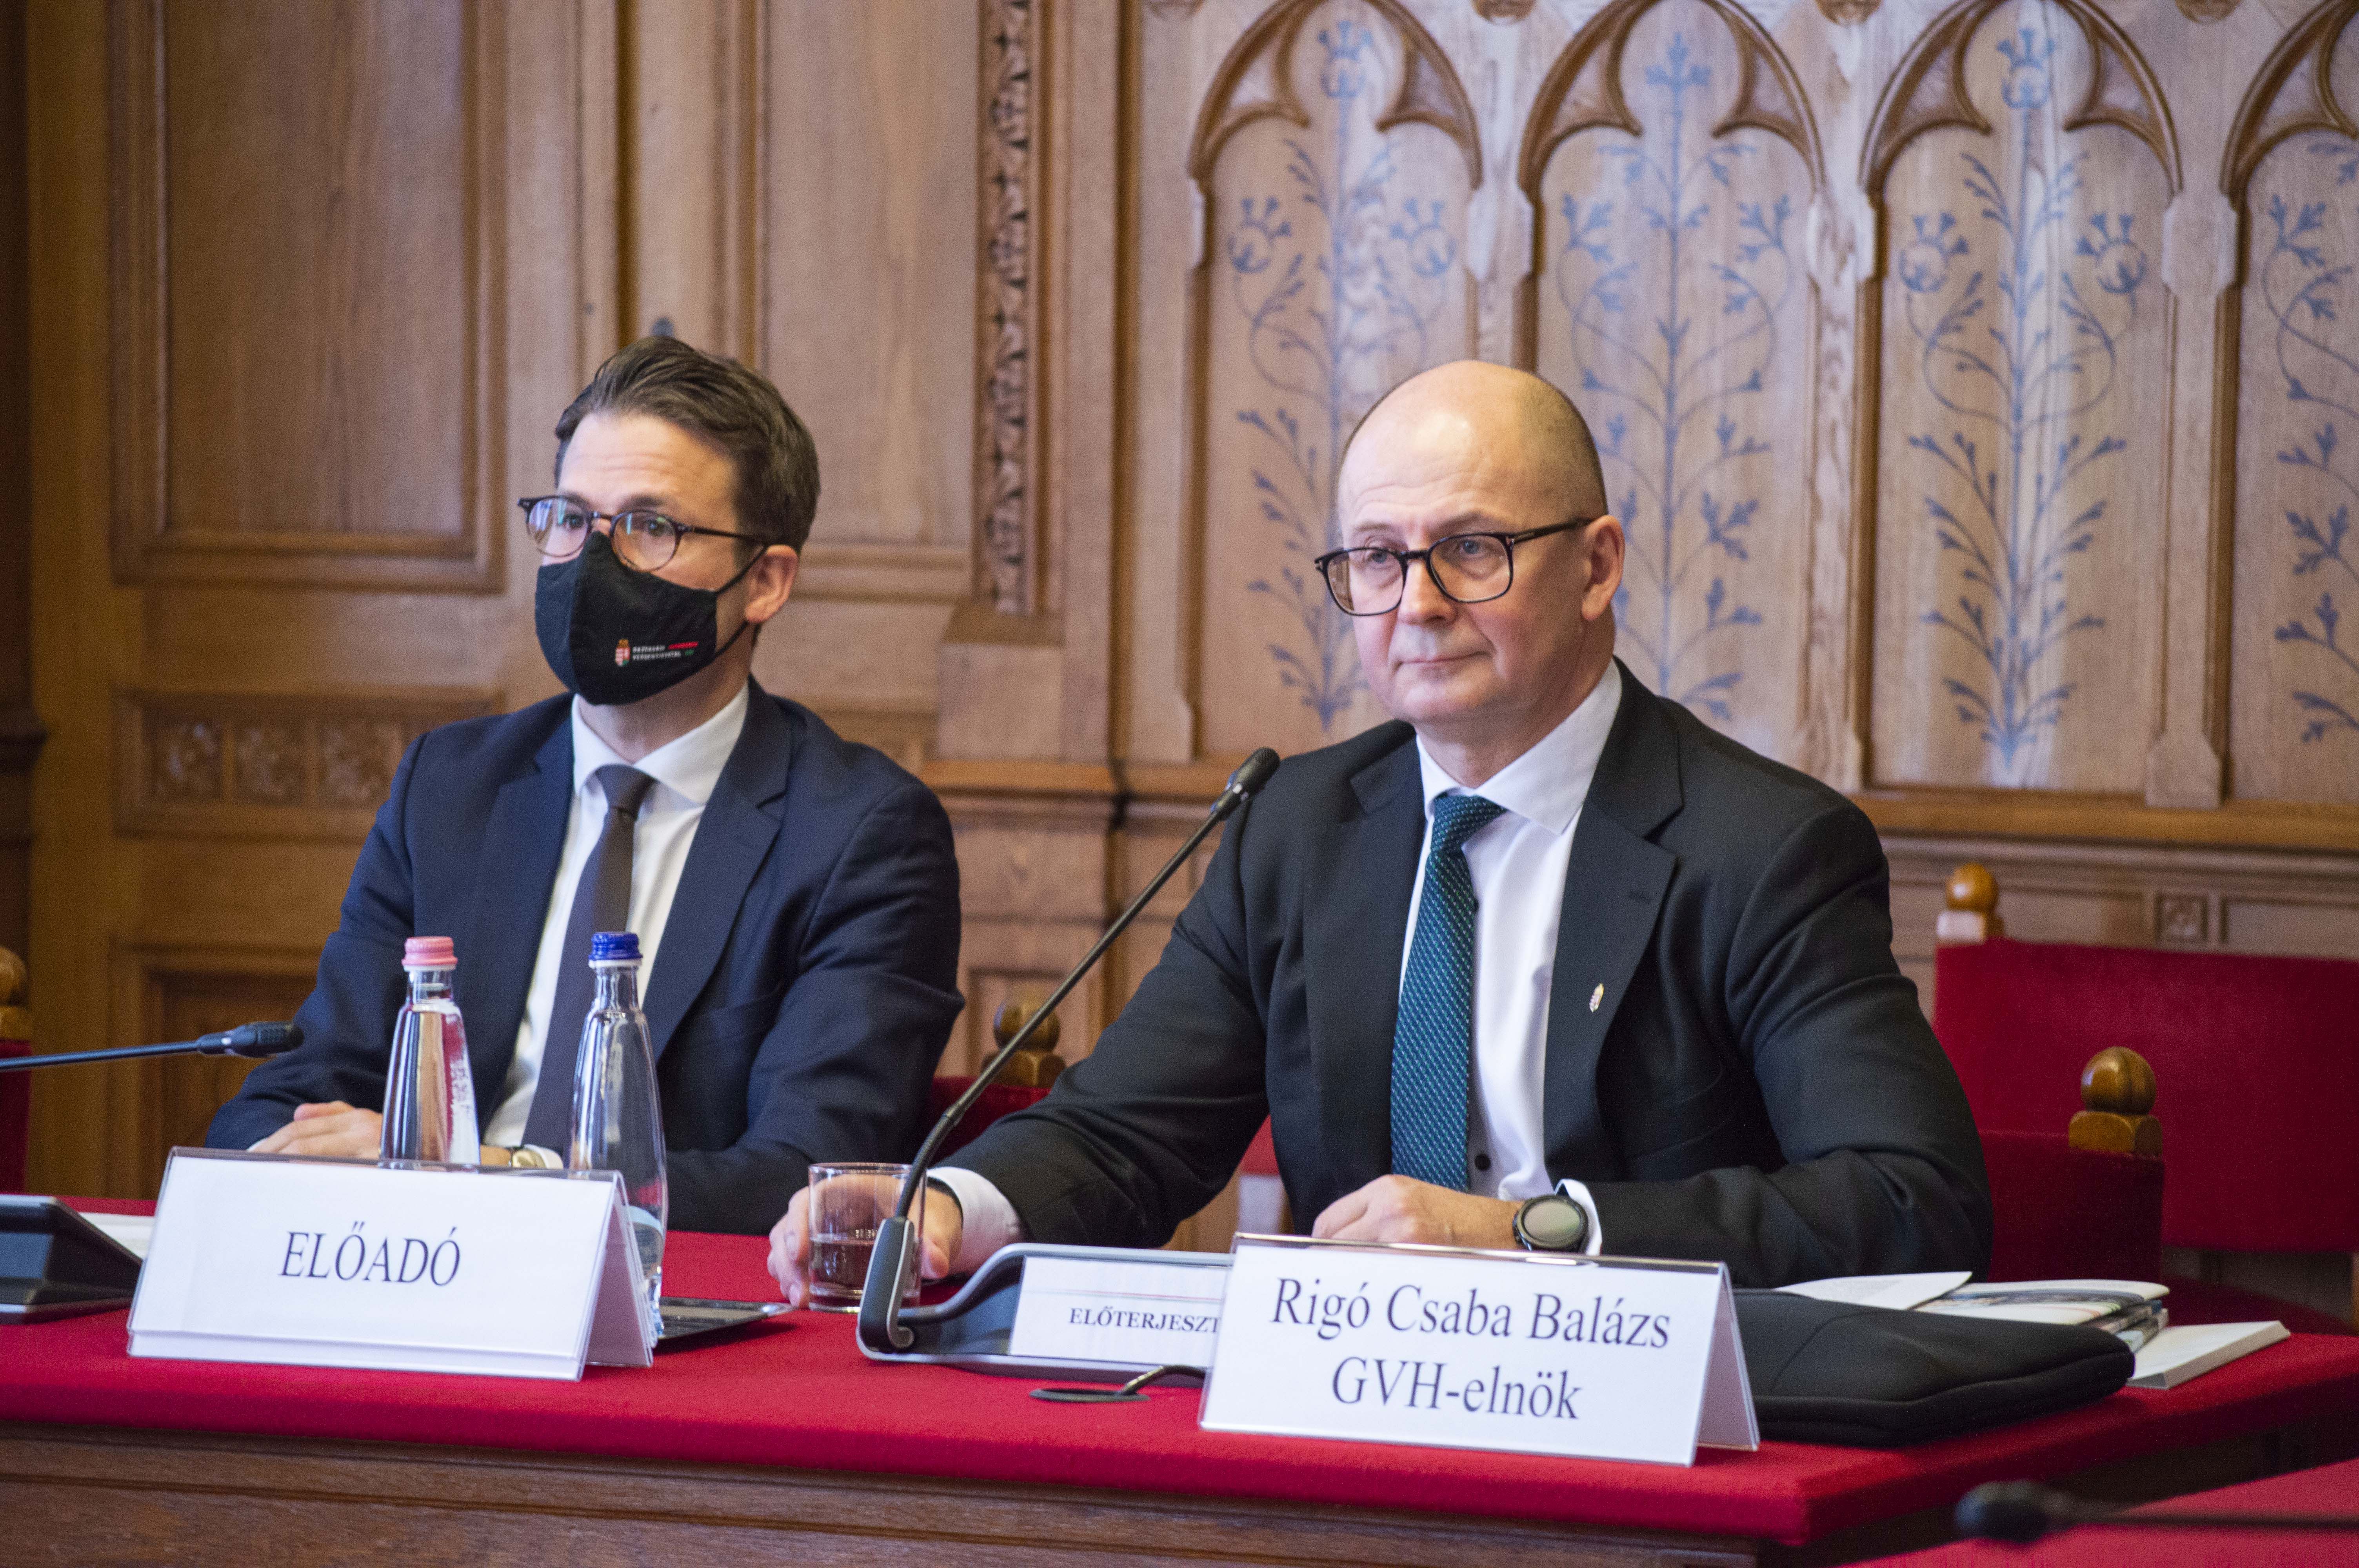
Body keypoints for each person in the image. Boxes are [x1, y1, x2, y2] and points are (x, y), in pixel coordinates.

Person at [770, 359, 1991, 1296]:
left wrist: (1531, 1233)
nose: (1417, 604)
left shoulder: (1762, 849)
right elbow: (1128, 1134)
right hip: (1359, 1408)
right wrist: (953, 1209)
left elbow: (1912, 1198)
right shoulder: (1294, 829)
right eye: (1375, 559)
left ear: (1598, 567)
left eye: (1471, 550)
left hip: (1649, 1430)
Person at [210, 336, 964, 1234]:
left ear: (764, 581)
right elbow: (288, 1100)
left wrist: (480, 1172)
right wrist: (310, 1158)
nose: (590, 562)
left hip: (663, 1301)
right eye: (570, 518)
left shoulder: (860, 835)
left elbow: (806, 1176)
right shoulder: (451, 786)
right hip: (410, 1268)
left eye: (650, 526)